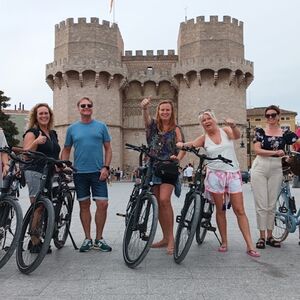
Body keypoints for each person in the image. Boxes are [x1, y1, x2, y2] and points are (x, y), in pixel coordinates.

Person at [177, 109, 260, 257]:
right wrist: (180, 145)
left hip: (232, 174)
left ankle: (250, 245)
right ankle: (224, 241)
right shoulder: (204, 138)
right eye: (203, 120)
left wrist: (234, 126)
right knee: (220, 210)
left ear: (214, 120)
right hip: (215, 175)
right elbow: (192, 144)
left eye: (208, 119)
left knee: (239, 210)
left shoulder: (226, 131)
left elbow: (236, 136)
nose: (206, 122)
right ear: (201, 124)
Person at [61, 97, 112, 253]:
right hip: (80, 173)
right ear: (78, 108)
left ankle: (99, 238)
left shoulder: (101, 127)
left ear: (92, 107)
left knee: (103, 204)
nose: (86, 107)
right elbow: (67, 149)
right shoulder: (72, 129)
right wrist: (64, 166)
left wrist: (106, 167)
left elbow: (108, 149)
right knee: (84, 205)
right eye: (83, 105)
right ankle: (87, 238)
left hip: (98, 172)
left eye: (89, 105)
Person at [141, 97, 185, 255]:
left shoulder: (176, 128)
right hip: (153, 167)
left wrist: (178, 158)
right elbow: (146, 121)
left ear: (172, 112)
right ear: (158, 112)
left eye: (168, 109)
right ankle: (165, 238)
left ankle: (171, 238)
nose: (165, 112)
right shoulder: (153, 126)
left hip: (169, 167)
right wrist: (145, 108)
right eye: (162, 109)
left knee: (165, 200)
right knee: (157, 203)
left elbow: (182, 145)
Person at [251, 105, 299, 249]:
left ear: (278, 116)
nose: (270, 118)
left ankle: (270, 236)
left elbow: (297, 142)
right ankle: (261, 236)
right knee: (262, 204)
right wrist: (275, 153)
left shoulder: (285, 132)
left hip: (276, 168)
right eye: (268, 116)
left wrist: (286, 155)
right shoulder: (260, 131)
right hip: (260, 166)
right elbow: (257, 150)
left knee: (271, 204)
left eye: (273, 115)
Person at [23, 103, 61, 253]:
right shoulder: (32, 132)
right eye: (41, 114)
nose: (44, 116)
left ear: (50, 116)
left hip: (49, 172)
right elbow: (26, 154)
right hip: (34, 171)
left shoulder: (52, 134)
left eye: (46, 113)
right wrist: (36, 142)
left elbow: (54, 153)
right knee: (38, 205)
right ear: (36, 117)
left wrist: (60, 166)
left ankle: (37, 237)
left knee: (44, 206)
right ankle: (34, 241)